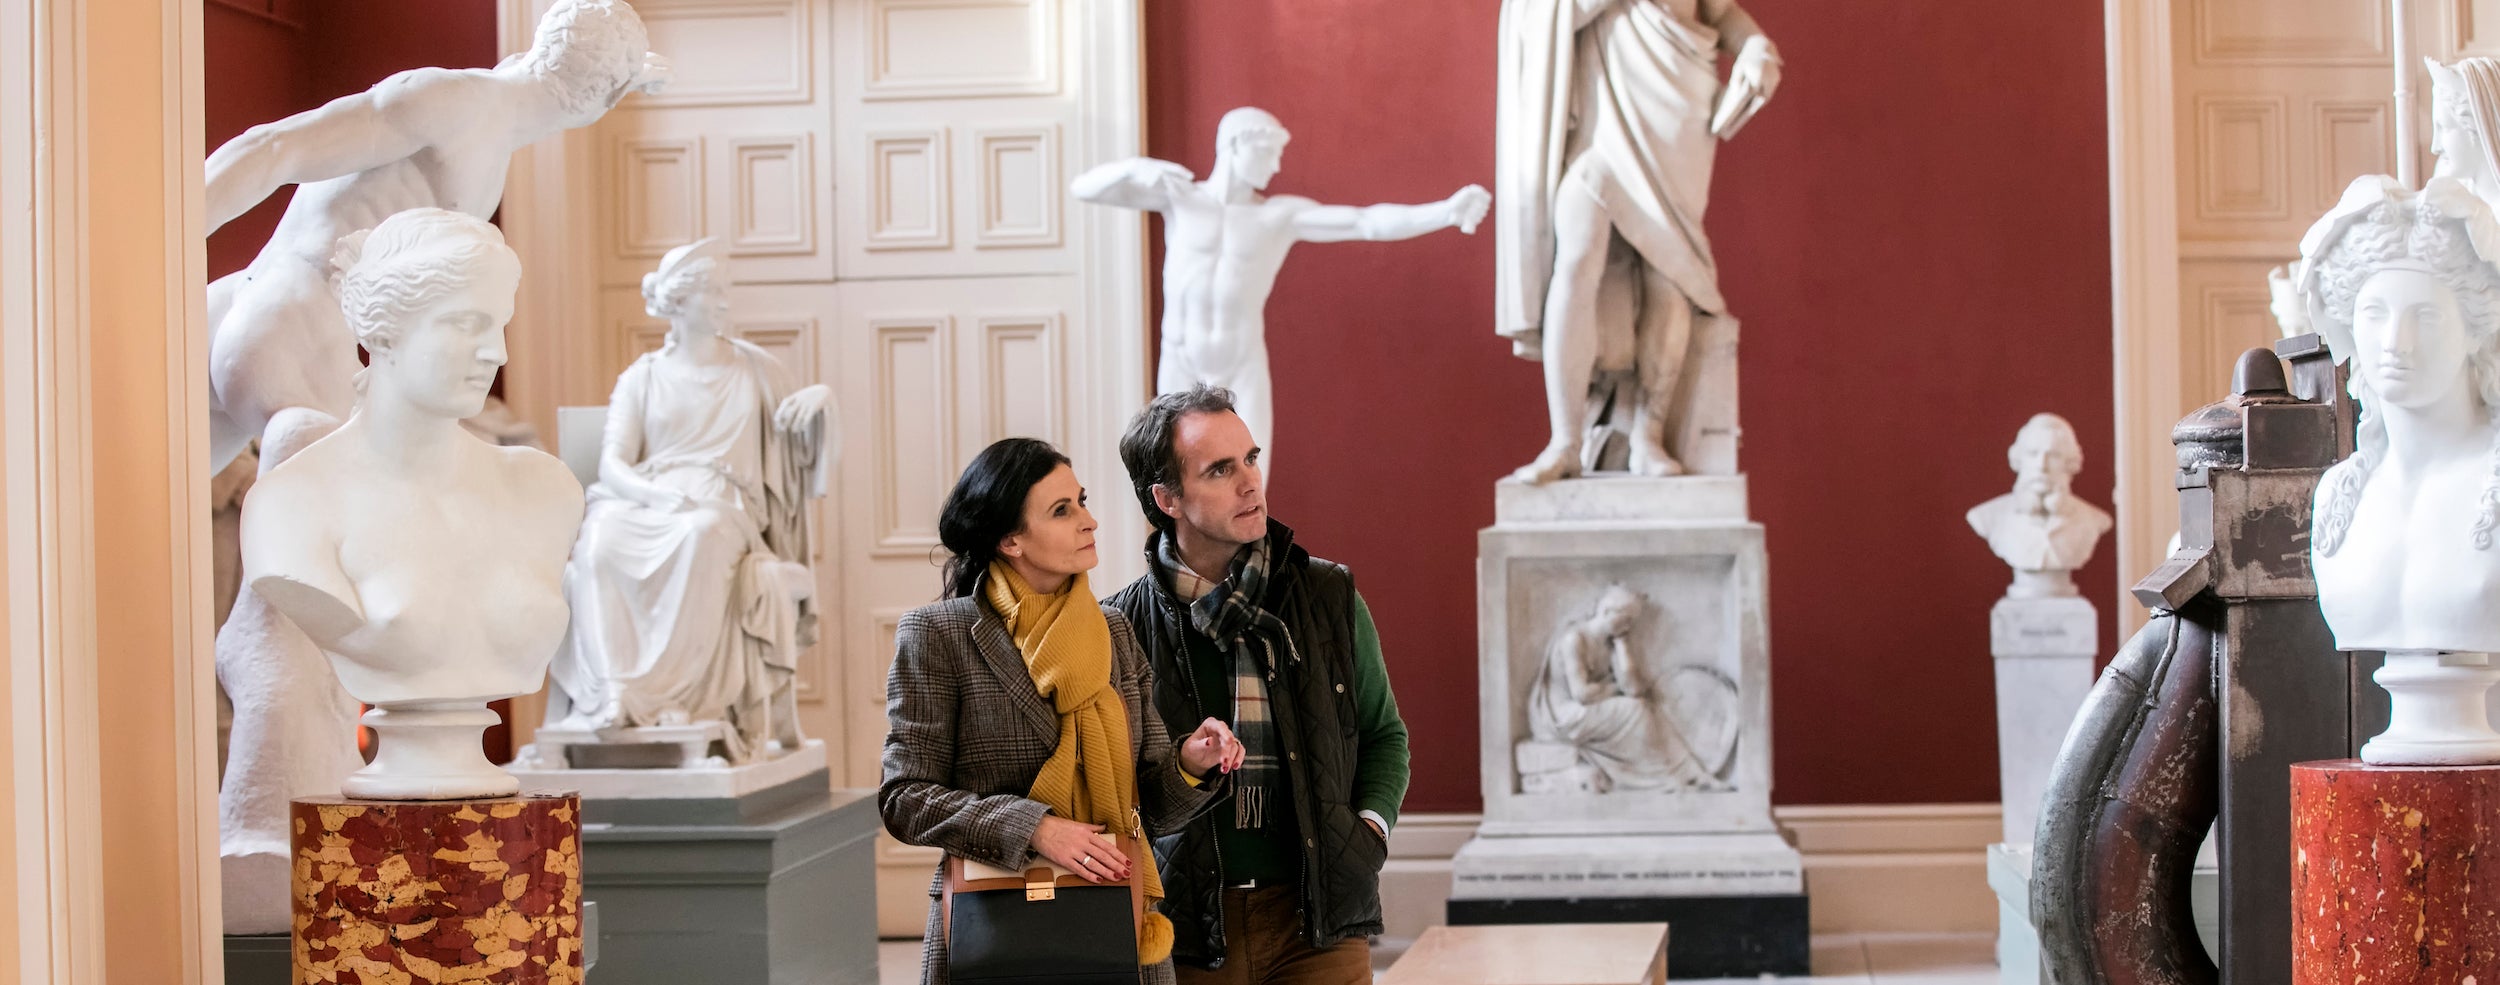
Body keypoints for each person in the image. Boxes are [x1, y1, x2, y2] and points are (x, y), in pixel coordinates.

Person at [882, 438, 1246, 985]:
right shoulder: (940, 635)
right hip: (995, 926)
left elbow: (1149, 806)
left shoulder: (1114, 633)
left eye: (1081, 500)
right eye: (1062, 510)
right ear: (1010, 540)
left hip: (1117, 925)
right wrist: (1037, 829)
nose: (1089, 520)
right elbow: (905, 798)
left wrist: (1191, 763)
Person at [1106, 385, 1412, 985]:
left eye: (1251, 458)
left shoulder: (1329, 596)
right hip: (1184, 928)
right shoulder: (1119, 627)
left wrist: (1369, 830)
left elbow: (1384, 735)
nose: (1250, 482)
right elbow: (1114, 786)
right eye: (1221, 469)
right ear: (1166, 497)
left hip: (1316, 922)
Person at [543, 238, 832, 764]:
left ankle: (682, 699)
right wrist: (654, 495)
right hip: (645, 497)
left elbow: (801, 450)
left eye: (725, 291)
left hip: (723, 503)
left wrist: (822, 403)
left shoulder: (757, 371)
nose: (724, 302)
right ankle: (617, 692)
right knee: (598, 546)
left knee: (701, 535)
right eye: (712, 292)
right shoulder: (642, 378)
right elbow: (613, 465)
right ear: (678, 301)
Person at [1071, 107, 1489, 462]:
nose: (1276, 166)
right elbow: (1083, 188)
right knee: (1180, 487)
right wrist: (1137, 168)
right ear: (1235, 145)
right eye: (1268, 153)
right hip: (1182, 360)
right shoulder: (1180, 199)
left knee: (1250, 488)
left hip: (1241, 366)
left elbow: (1367, 221)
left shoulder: (1277, 216)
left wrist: (1445, 212)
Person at [1496, 0, 1782, 482]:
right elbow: (1536, 14)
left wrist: (1756, 48)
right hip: (1598, 120)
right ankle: (1565, 441)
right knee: (1577, 256)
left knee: (1668, 271)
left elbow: (1720, 11)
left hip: (1676, 106)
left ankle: (1649, 437)